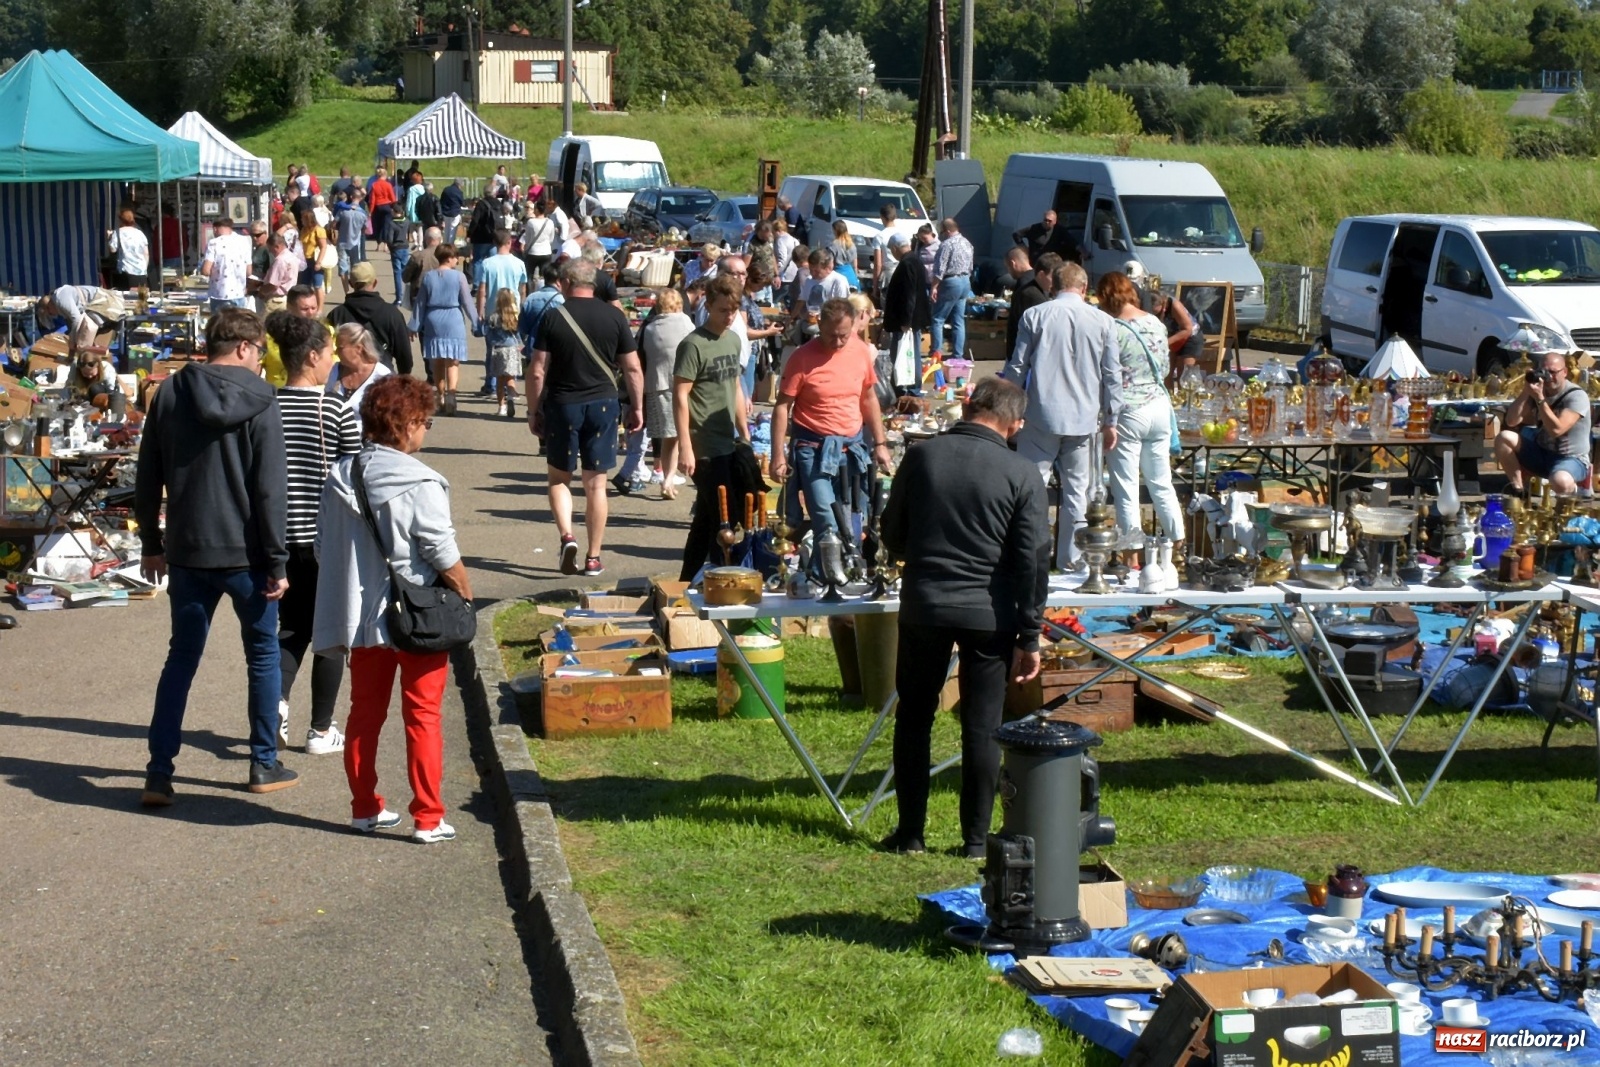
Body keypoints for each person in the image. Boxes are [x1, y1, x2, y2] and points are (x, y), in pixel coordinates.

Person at [878, 376, 1047, 856]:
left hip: (925, 603)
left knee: (914, 718)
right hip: (988, 613)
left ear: (969, 406)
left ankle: (910, 832)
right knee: (981, 725)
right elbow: (1033, 559)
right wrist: (1030, 635)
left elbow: (893, 533)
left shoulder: (922, 456)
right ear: (1013, 425)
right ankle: (975, 840)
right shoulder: (1020, 471)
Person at [134, 307, 295, 805]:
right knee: (263, 654)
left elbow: (147, 474)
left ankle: (159, 772)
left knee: (180, 658)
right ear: (245, 347)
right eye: (259, 353)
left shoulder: (169, 393)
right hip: (246, 554)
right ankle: (262, 762)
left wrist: (151, 544)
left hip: (187, 549)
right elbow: (271, 490)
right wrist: (277, 561)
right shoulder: (263, 400)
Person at [312, 375, 472, 843]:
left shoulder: (341, 475)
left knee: (364, 713)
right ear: (406, 425)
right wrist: (465, 591)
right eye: (424, 422)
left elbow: (324, 547)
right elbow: (442, 552)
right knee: (423, 715)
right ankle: (428, 816)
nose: (426, 432)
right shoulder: (420, 481)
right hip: (417, 614)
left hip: (361, 617)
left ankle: (364, 808)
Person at [264, 312, 360, 755]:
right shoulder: (338, 408)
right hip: (325, 542)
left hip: (277, 541)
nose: (334, 364)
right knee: (332, 633)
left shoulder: (265, 407)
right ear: (314, 357)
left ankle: (277, 706)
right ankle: (321, 729)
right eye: (330, 356)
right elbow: (355, 476)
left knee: (290, 629)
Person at [527, 259, 644, 577]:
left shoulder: (553, 317)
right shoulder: (615, 317)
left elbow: (538, 370)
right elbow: (632, 368)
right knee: (596, 485)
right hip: (604, 403)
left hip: (563, 403)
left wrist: (533, 409)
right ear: (594, 284)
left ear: (565, 282)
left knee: (559, 479)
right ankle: (593, 557)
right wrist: (637, 407)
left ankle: (567, 536)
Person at [1002, 261, 1122, 568]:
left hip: (1040, 415)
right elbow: (1112, 375)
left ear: (1052, 286)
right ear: (1084, 289)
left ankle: (1029, 559)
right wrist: (1112, 420)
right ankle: (1074, 562)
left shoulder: (1035, 315)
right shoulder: (1103, 322)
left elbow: (1017, 367)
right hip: (1084, 419)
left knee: (1031, 489)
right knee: (1077, 494)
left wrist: (1006, 411)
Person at [770, 298, 893, 542]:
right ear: (820, 326)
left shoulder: (860, 351)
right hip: (813, 450)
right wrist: (778, 456)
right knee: (827, 522)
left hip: (852, 449)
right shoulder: (802, 358)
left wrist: (880, 444)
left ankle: (841, 574)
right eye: (830, 335)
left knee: (852, 521)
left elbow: (868, 398)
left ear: (853, 326)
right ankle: (826, 573)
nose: (836, 342)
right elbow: (782, 407)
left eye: (843, 336)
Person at [674, 274, 755, 579]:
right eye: (723, 310)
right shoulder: (693, 345)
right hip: (703, 445)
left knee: (708, 519)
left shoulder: (734, 339)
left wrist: (744, 432)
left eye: (733, 310)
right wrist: (685, 447)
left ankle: (687, 582)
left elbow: (734, 384)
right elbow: (680, 397)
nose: (729, 316)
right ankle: (722, 578)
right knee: (727, 519)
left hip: (727, 440)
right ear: (708, 306)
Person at [1098, 271, 1183, 546]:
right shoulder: (1157, 324)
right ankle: (1179, 546)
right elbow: (1166, 368)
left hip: (1128, 411)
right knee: (1161, 483)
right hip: (1159, 407)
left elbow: (1108, 375)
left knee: (1126, 488)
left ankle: (1132, 554)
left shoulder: (1113, 329)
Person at [1497, 348, 1593, 495]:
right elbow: (1511, 421)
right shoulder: (1538, 390)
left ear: (1565, 372)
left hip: (1571, 459)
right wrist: (1526, 391)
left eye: (1553, 372)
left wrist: (1540, 400)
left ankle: (1577, 490)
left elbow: (1557, 430)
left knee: (1560, 481)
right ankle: (1518, 491)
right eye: (1544, 372)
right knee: (1504, 437)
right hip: (1542, 453)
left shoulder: (1576, 396)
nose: (1548, 377)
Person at [639, 287, 694, 500]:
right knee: (678, 435)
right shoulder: (687, 324)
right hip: (684, 384)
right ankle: (669, 478)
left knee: (667, 436)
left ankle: (665, 476)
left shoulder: (650, 328)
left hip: (657, 384)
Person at [411, 243, 478, 415]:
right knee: (453, 361)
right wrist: (476, 322)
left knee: (437, 361)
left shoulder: (428, 277)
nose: (457, 259)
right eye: (456, 257)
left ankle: (440, 396)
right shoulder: (459, 277)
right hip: (453, 318)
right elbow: (467, 302)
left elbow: (420, 304)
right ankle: (451, 396)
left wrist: (413, 325)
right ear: (449, 258)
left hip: (433, 319)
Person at [327, 261, 414, 375]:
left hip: (347, 377)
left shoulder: (337, 314)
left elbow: (328, 350)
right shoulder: (392, 314)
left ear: (350, 284)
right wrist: (402, 380)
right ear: (375, 282)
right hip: (383, 378)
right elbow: (405, 357)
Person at [475, 229, 529, 400]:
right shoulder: (519, 263)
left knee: (492, 350)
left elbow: (482, 290)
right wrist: (521, 308)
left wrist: (480, 310)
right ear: (509, 242)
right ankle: (510, 385)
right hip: (513, 311)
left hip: (493, 311)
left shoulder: (487, 263)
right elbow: (523, 288)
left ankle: (491, 385)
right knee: (512, 348)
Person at [880, 232, 932, 397]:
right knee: (907, 353)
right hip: (910, 318)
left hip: (906, 320)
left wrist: (906, 320)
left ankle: (910, 388)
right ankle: (907, 386)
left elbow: (909, 294)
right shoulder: (914, 260)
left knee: (907, 354)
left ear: (895, 248)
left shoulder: (908, 263)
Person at [327, 322, 394, 431]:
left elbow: (389, 417)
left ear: (358, 348)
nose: (336, 351)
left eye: (340, 347)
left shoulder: (382, 376)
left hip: (367, 443)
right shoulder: (334, 370)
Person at [929, 217, 973, 361]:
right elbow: (971, 266)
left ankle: (936, 353)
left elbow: (940, 269)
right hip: (965, 280)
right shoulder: (967, 243)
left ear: (947, 231)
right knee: (958, 320)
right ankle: (958, 355)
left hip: (951, 281)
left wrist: (934, 286)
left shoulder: (946, 245)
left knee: (938, 319)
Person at [40, 285, 125, 357]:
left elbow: (76, 319)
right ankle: (89, 355)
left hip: (105, 301)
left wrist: (72, 340)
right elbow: (71, 325)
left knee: (83, 341)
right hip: (97, 304)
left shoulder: (60, 299)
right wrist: (71, 350)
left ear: (48, 306)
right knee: (82, 340)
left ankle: (87, 360)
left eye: (50, 313)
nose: (53, 315)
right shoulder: (60, 306)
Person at [1005, 248, 1053, 360]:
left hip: (1022, 352)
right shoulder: (1035, 280)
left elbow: (1026, 322)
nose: (1008, 271)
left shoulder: (1024, 286)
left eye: (1007, 267)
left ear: (1013, 263)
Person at [201, 216, 254, 312]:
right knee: (238, 324)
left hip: (219, 294)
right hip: (239, 293)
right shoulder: (244, 241)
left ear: (215, 229)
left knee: (219, 324)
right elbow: (249, 271)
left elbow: (206, 270)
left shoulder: (214, 243)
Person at [486, 288, 524, 418]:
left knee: (500, 380)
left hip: (499, 349)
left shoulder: (494, 317)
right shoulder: (515, 316)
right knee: (510, 378)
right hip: (512, 349)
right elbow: (519, 333)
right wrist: (520, 344)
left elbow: (489, 334)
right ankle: (511, 398)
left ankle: (501, 407)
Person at [1151, 287, 1202, 381]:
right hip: (1171, 338)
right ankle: (1169, 394)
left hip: (1190, 338)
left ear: (1163, 304)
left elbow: (1187, 329)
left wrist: (1165, 343)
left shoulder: (1175, 306)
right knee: (1166, 374)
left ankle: (1185, 394)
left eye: (1156, 312)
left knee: (1184, 375)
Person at [333, 190, 370, 298]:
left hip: (342, 242)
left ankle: (347, 292)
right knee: (356, 268)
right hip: (355, 243)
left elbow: (334, 224)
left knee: (343, 269)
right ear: (360, 199)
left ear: (350, 196)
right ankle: (356, 291)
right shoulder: (363, 213)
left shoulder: (343, 211)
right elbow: (365, 229)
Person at [256, 234, 300, 313]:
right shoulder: (292, 257)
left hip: (276, 301)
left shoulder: (280, 261)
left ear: (277, 247)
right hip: (288, 298)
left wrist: (261, 292)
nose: (270, 252)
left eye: (270, 249)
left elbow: (273, 285)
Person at [107, 208, 150, 289]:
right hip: (141, 272)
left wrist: (109, 238)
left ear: (121, 220)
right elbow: (146, 254)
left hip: (125, 271)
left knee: (126, 298)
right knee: (140, 297)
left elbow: (113, 250)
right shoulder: (140, 233)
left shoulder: (118, 232)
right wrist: (144, 268)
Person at [295, 210, 327, 310]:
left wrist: (319, 262)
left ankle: (320, 308)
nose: (301, 220)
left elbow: (323, 247)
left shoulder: (319, 230)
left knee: (317, 285)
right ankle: (307, 306)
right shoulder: (304, 229)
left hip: (315, 259)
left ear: (308, 219)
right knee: (304, 285)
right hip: (305, 260)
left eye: (303, 219)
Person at [521, 199, 559, 276]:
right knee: (545, 276)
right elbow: (551, 238)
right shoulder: (550, 222)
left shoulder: (531, 222)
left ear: (537, 210)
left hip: (533, 251)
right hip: (546, 251)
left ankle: (531, 288)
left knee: (529, 275)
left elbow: (527, 238)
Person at [870, 202, 899, 298]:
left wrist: (875, 287)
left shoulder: (880, 236)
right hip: (902, 271)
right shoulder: (904, 234)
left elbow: (878, 264)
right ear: (895, 216)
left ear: (882, 217)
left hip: (888, 274)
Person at [367, 166, 398, 251]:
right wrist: (394, 207)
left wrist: (371, 211)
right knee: (386, 226)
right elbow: (392, 198)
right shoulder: (388, 185)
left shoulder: (374, 185)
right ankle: (385, 245)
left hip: (377, 207)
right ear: (385, 175)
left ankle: (378, 244)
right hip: (387, 206)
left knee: (378, 226)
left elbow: (372, 200)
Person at [828, 220, 860, 289]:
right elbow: (855, 265)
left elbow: (830, 264)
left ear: (836, 231)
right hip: (850, 274)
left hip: (838, 273)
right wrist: (855, 277)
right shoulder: (852, 244)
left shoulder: (833, 245)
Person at [440, 179, 465, 244]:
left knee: (446, 230)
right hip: (455, 212)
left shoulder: (446, 189)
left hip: (445, 212)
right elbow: (462, 202)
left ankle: (445, 243)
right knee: (452, 229)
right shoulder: (459, 192)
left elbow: (441, 200)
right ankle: (450, 244)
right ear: (459, 185)